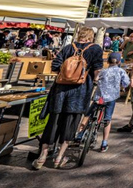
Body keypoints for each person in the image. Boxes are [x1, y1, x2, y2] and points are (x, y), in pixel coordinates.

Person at [33, 27, 103, 169]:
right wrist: (94, 80)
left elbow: (55, 66)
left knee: (53, 121)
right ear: (91, 37)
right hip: (80, 91)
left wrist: (66, 75)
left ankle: (43, 156)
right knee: (70, 123)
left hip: (60, 90)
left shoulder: (68, 47)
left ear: (79, 36)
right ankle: (59, 157)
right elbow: (97, 69)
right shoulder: (95, 49)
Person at [75, 52, 129, 153]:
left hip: (99, 97)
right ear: (118, 61)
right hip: (111, 98)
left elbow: (95, 79)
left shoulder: (103, 71)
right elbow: (126, 83)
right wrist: (121, 86)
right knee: (107, 119)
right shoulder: (121, 71)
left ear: (108, 61)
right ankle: (104, 143)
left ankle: (79, 135)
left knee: (88, 115)